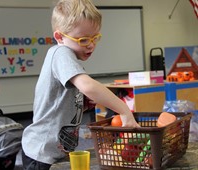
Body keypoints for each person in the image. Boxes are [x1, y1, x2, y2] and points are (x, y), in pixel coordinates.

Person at [21, 0, 140, 169]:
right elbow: (88, 86)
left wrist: (81, 105)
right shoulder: (61, 53)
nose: (91, 45)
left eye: (95, 38)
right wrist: (124, 109)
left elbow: (59, 103)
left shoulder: (65, 57)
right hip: (42, 153)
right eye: (83, 39)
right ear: (60, 37)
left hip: (56, 151)